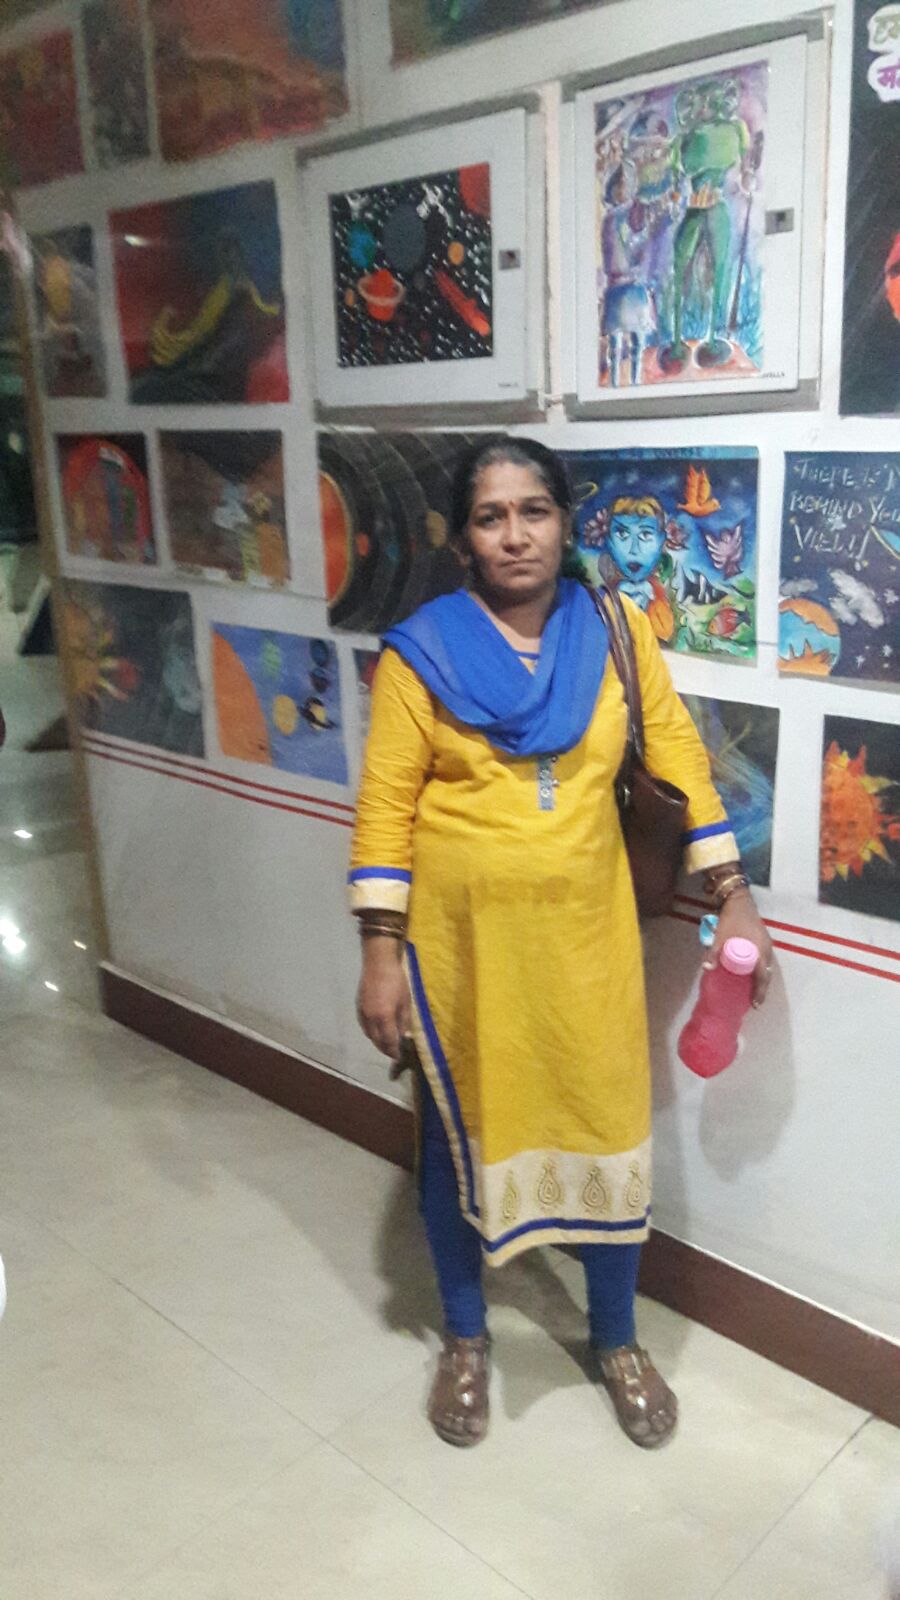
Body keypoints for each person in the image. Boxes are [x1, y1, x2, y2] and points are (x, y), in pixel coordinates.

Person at [350, 435, 772, 1451]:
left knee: (605, 1131)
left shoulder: (615, 632)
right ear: (463, 538)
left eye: (532, 511)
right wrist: (379, 955)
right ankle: (464, 1337)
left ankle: (616, 1339)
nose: (514, 534)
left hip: (587, 943)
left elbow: (681, 760)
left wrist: (735, 896)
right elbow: (386, 808)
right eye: (490, 516)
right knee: (455, 1142)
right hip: (462, 953)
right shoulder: (420, 652)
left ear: (564, 521)